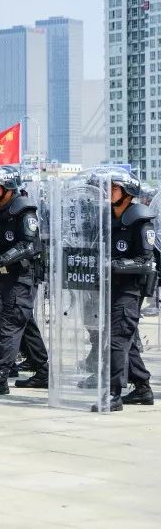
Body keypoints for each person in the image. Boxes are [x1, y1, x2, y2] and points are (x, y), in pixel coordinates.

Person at [0, 165, 49, 396]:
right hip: (5, 275)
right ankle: (43, 371)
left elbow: (29, 245)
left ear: (8, 187)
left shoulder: (24, 209)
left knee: (6, 321)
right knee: (23, 322)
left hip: (22, 274)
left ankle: (1, 378)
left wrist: (2, 258)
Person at [94, 169, 155, 411]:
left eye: (114, 188)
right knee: (123, 338)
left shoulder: (141, 219)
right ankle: (142, 388)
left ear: (128, 192)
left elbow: (145, 260)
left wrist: (117, 265)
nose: (108, 192)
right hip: (109, 287)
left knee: (117, 340)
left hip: (129, 290)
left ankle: (114, 394)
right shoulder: (107, 216)